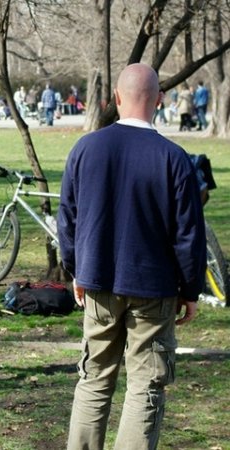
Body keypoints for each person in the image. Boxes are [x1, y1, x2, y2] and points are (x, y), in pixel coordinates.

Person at [58, 63, 207, 450]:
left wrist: (77, 270)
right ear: (159, 99)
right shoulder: (175, 159)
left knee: (94, 379)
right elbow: (189, 236)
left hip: (99, 283)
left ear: (116, 99)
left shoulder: (85, 148)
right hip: (153, 289)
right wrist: (190, 290)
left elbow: (67, 220)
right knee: (146, 384)